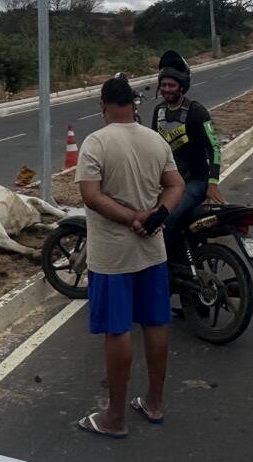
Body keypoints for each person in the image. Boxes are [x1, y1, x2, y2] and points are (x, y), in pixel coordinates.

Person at [74, 76, 185, 439]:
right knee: (156, 324)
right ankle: (154, 402)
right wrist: (156, 217)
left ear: (104, 105)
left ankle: (115, 417)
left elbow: (90, 195)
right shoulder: (154, 140)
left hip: (111, 257)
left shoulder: (97, 142)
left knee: (117, 330)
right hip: (153, 251)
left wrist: (130, 218)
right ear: (133, 105)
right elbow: (175, 185)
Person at [151, 50, 225, 232]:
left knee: (166, 217)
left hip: (195, 182)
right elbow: (152, 148)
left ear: (182, 86)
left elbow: (214, 147)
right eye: (163, 85)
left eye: (171, 85)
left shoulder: (197, 111)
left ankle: (163, 261)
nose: (166, 89)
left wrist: (213, 183)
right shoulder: (158, 111)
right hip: (168, 182)